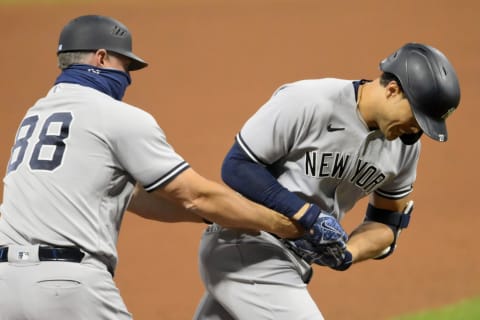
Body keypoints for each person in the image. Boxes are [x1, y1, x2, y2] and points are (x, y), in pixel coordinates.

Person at [0, 15, 311, 320]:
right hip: (67, 287)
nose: (129, 77)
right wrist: (286, 225)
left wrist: (217, 217)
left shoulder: (36, 115)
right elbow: (196, 195)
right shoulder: (115, 116)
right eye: (125, 65)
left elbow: (134, 196)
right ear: (102, 57)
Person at [193, 42, 461, 320]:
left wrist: (348, 253)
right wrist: (306, 215)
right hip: (246, 241)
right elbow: (237, 166)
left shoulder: (405, 146)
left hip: (289, 262)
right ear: (393, 90)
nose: (416, 131)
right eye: (417, 118)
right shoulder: (309, 101)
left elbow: (387, 224)